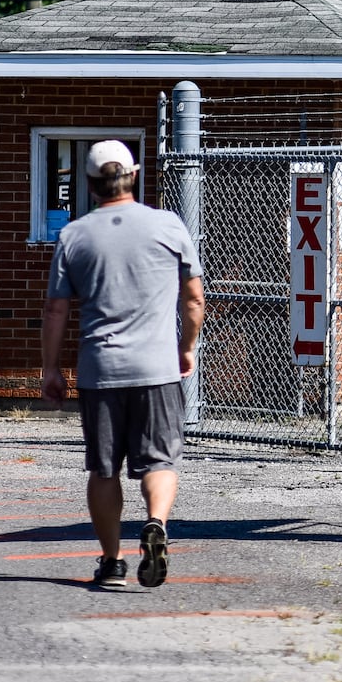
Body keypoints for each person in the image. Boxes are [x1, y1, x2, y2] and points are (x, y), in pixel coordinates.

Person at [41, 140, 205, 589]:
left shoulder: (74, 235)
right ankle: (155, 523)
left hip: (101, 370)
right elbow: (193, 299)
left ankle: (112, 562)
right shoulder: (168, 225)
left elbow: (56, 310)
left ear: (91, 184)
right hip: (156, 368)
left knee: (104, 468)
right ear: (134, 175)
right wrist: (186, 348)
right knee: (160, 461)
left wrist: (51, 369)